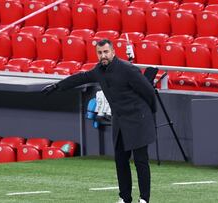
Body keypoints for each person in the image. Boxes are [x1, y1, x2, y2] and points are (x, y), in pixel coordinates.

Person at [41, 39, 157, 203]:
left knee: (141, 162)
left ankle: (144, 199)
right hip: (120, 122)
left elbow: (148, 92)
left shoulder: (128, 69)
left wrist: (150, 113)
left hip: (138, 119)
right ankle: (124, 198)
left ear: (113, 52)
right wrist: (56, 86)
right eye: (100, 53)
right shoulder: (98, 71)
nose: (103, 55)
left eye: (106, 52)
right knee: (120, 161)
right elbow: (80, 78)